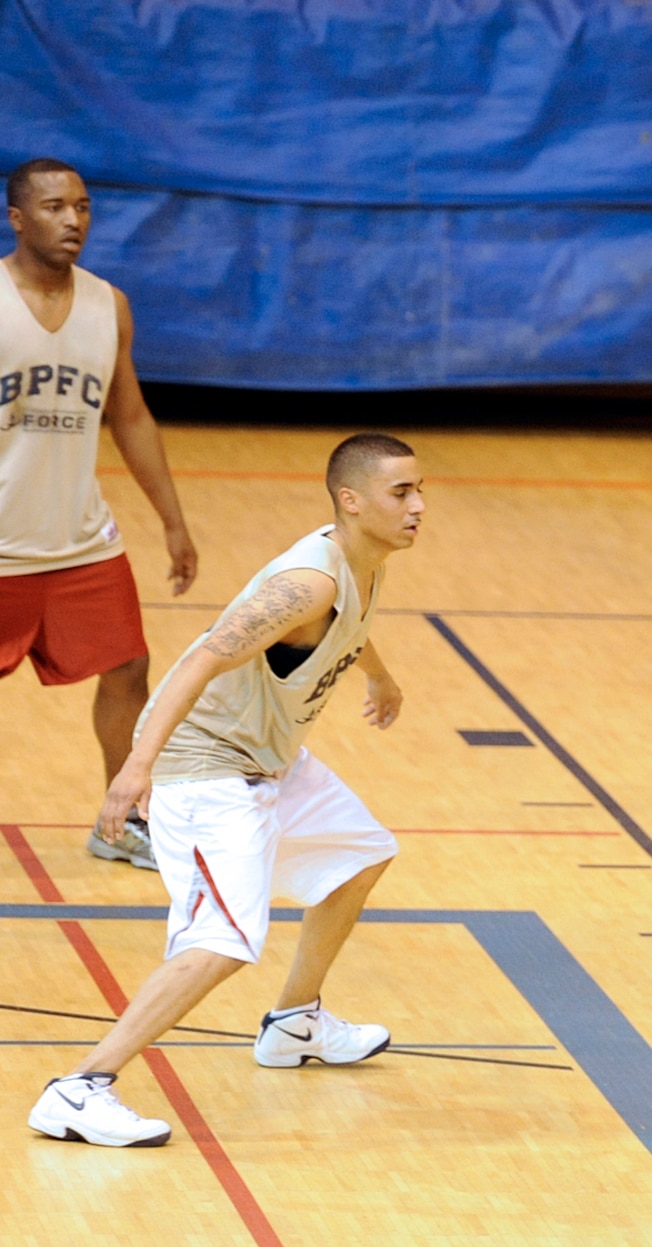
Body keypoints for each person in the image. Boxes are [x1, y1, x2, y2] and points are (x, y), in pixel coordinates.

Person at [28, 434, 423, 1148]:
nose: (419, 505)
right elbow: (201, 658)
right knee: (225, 938)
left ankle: (295, 1023)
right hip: (205, 772)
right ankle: (80, 1088)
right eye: (402, 492)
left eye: (420, 490)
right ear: (351, 501)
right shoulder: (309, 580)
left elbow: (345, 631)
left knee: (362, 854)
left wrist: (379, 676)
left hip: (270, 759)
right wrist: (135, 767)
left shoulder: (361, 562)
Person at [2, 158, 200, 871]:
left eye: (82, 206)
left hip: (80, 542)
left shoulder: (109, 305)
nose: (74, 220)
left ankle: (122, 823)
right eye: (55, 207)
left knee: (128, 667)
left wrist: (172, 520)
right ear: (17, 218)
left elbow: (132, 416)